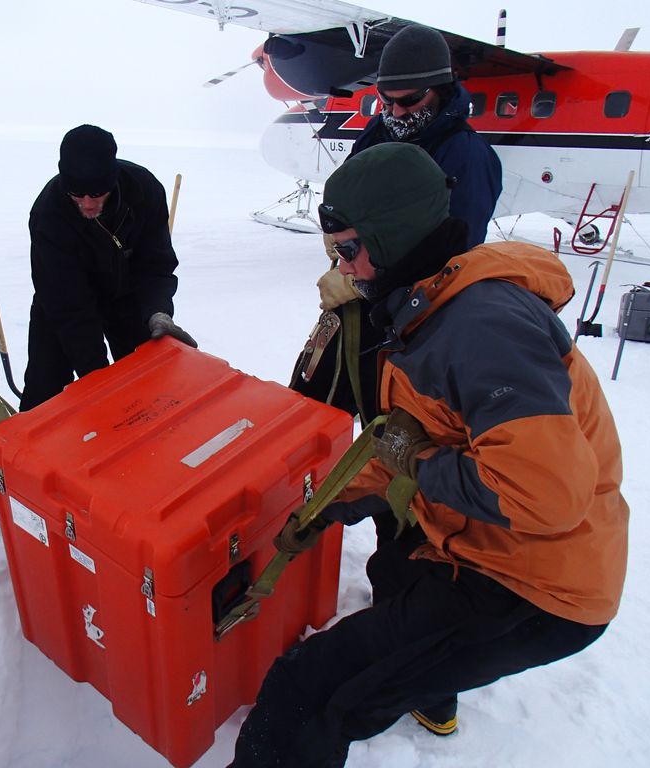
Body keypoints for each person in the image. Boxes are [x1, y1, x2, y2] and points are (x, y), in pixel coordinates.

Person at [232, 142, 629, 767]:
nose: (346, 268)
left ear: (389, 238)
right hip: (485, 546)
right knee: (393, 575)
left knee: (313, 688)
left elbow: (545, 496)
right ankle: (421, 681)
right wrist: (335, 503)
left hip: (530, 584)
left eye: (350, 250)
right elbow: (415, 435)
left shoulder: (482, 329)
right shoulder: (431, 303)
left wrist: (418, 467)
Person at [294, 23, 503, 423]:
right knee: (312, 400)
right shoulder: (380, 132)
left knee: (389, 423)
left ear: (439, 90)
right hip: (359, 299)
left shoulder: (467, 158)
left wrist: (360, 283)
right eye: (385, 101)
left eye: (407, 102)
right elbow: (350, 192)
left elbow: (452, 251)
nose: (395, 113)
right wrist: (340, 240)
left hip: (413, 320)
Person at [19, 124, 195, 411]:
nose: (88, 204)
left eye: (97, 193)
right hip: (63, 303)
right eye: (77, 194)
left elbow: (155, 264)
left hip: (126, 296)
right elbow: (68, 305)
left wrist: (157, 311)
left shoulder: (144, 190)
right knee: (45, 391)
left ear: (112, 181)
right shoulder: (48, 213)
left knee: (146, 385)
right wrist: (98, 375)